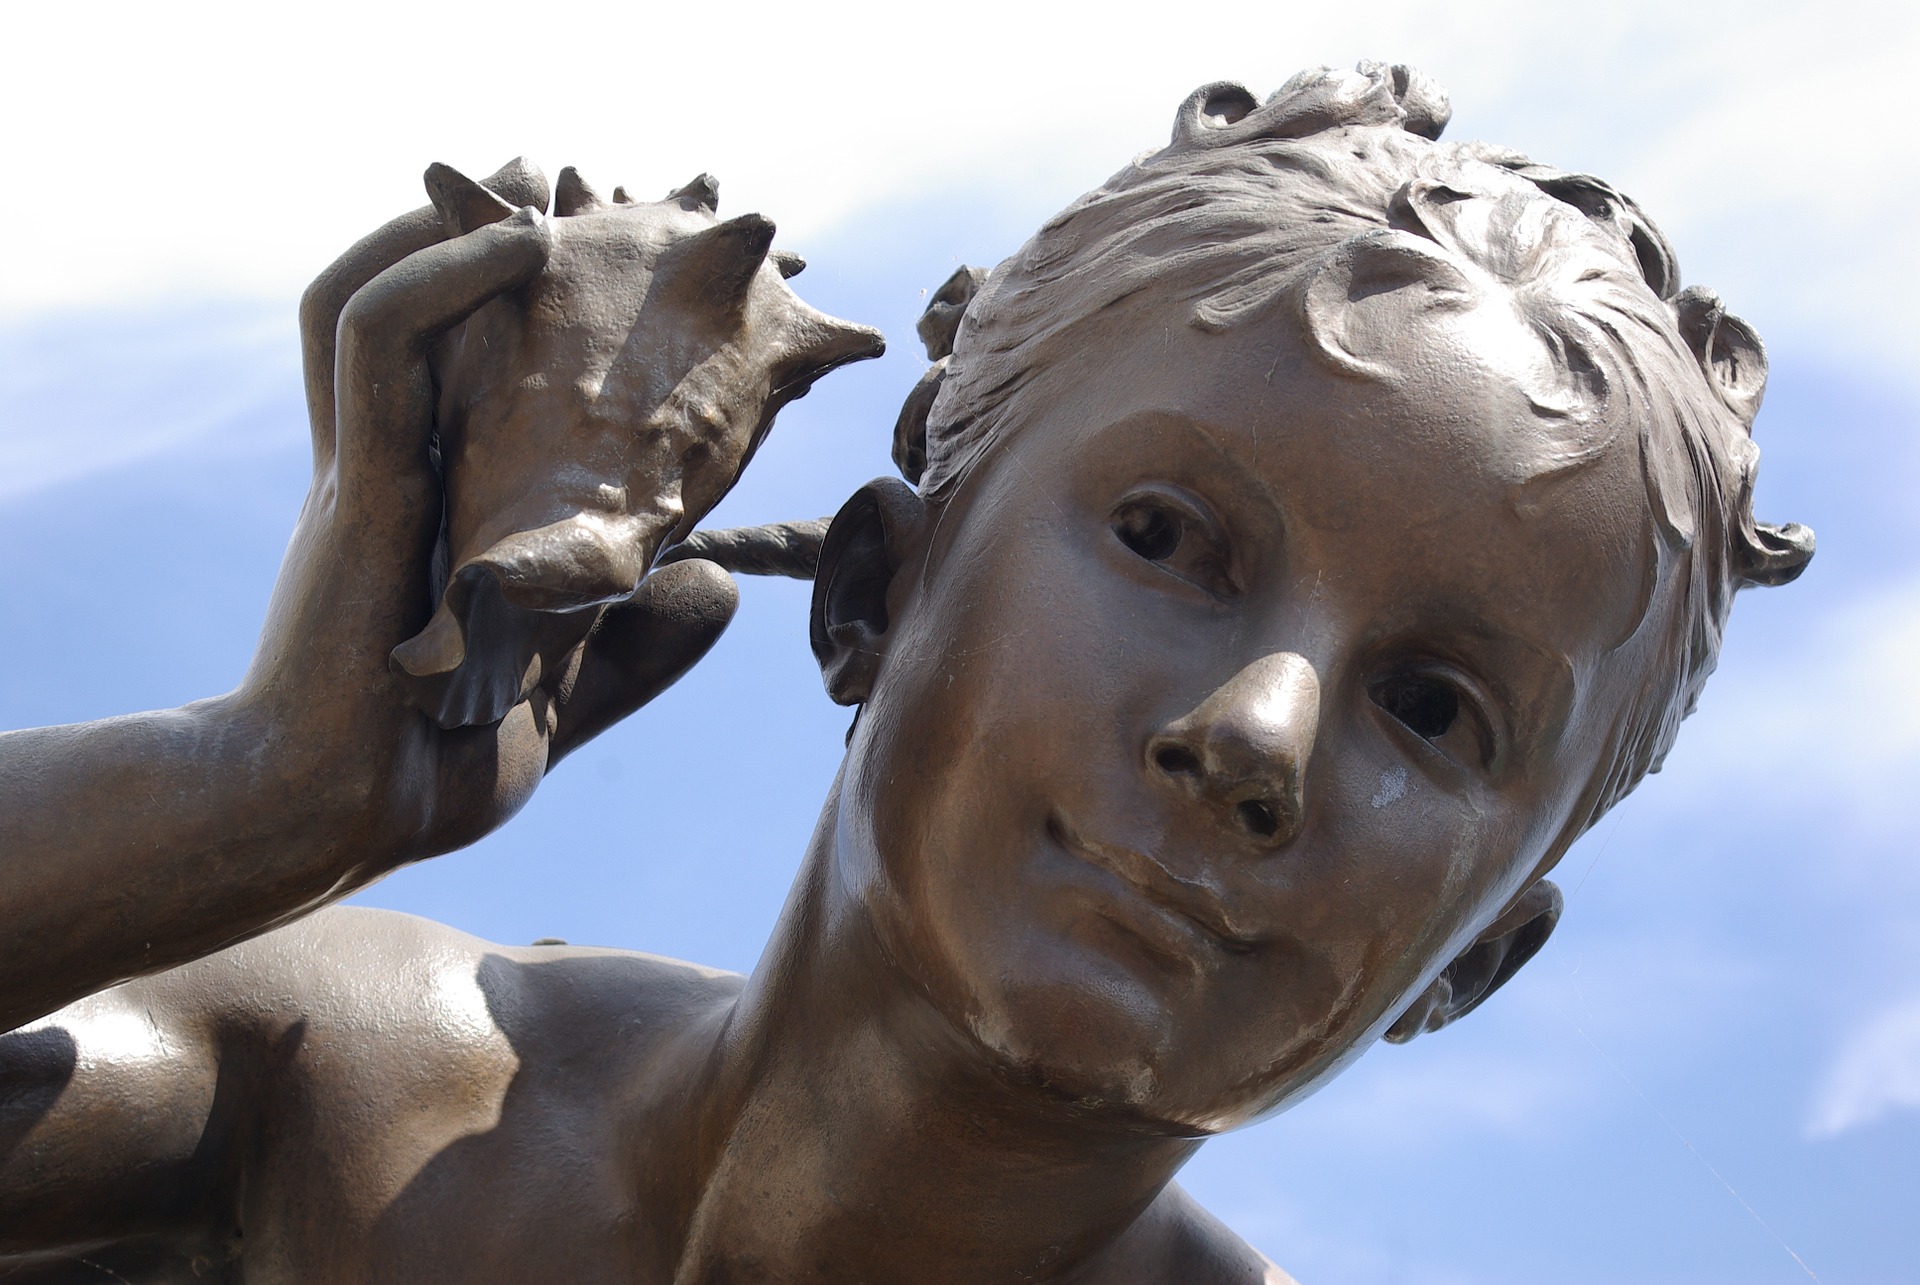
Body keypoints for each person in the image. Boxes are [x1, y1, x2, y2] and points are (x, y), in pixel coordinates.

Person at [0, 63, 1811, 1282]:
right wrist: (257, 796)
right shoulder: (327, 1080)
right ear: (873, 587)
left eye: (1433, 709)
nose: (1258, 735)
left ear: (1472, 958)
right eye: (1173, 541)